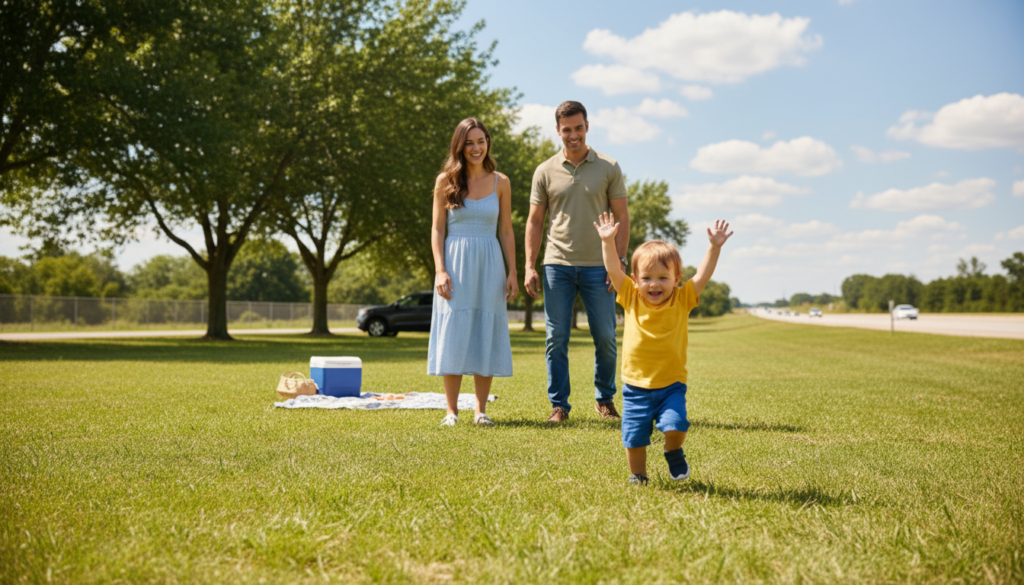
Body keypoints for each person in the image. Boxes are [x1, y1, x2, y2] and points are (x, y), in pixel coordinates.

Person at [594, 212, 733, 484]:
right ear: (635, 279)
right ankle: (638, 475)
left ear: (677, 277)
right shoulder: (630, 296)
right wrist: (607, 242)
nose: (654, 284)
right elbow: (613, 269)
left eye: (663, 277)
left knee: (676, 425)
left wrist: (714, 247)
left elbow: (703, 275)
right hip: (635, 387)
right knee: (634, 437)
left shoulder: (682, 299)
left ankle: (673, 451)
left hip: (671, 384)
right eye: (646, 277)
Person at [524, 101, 629, 423]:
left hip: (601, 265)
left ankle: (605, 399)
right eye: (567, 129)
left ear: (587, 126)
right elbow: (535, 221)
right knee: (556, 338)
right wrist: (529, 265)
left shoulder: (609, 167)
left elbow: (622, 216)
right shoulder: (544, 171)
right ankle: (559, 406)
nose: (574, 135)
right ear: (558, 130)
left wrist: (619, 262)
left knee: (606, 337)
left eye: (579, 128)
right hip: (557, 264)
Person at [428, 118, 518, 427]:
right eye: (469, 142)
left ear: (488, 143)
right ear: (460, 147)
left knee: (485, 330)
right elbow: (437, 229)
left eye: (481, 141)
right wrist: (440, 270)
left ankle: (480, 411)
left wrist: (512, 272)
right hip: (454, 264)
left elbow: (506, 230)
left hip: (490, 263)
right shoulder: (445, 181)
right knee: (453, 331)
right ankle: (451, 411)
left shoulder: (501, 182)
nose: (476, 148)